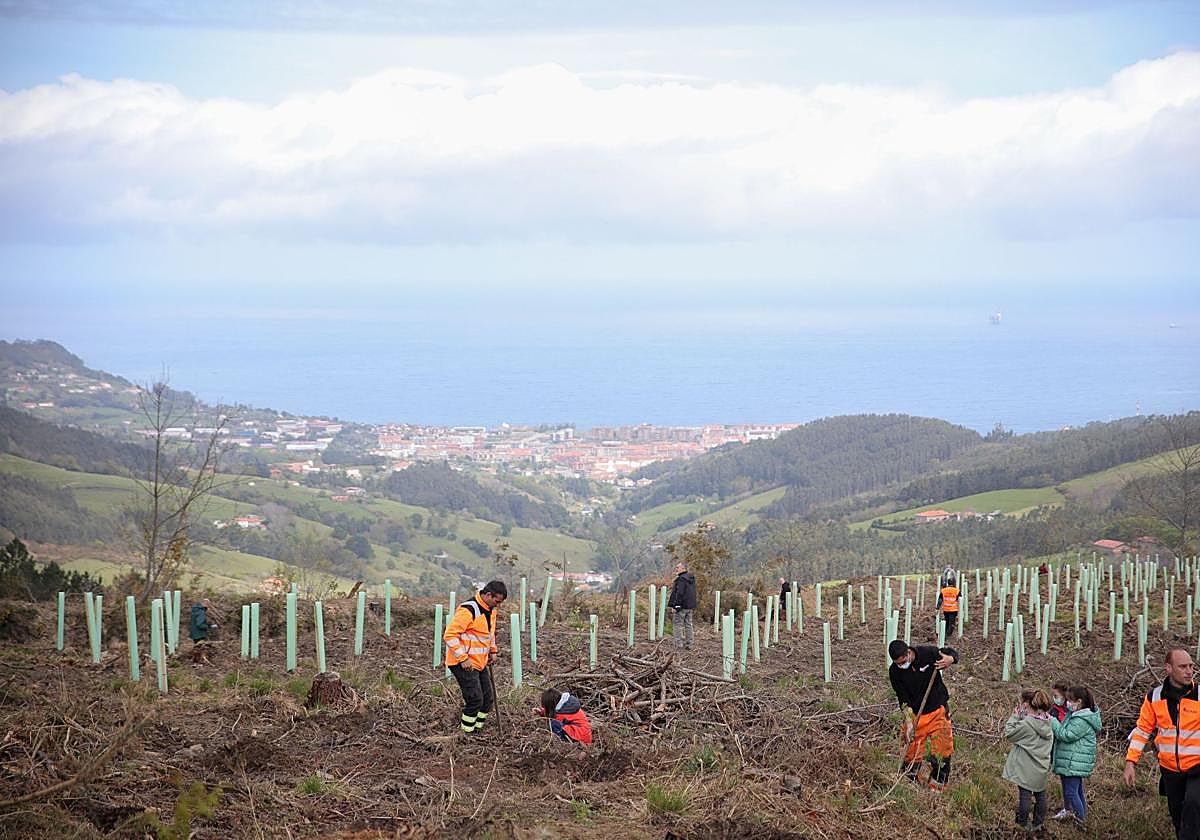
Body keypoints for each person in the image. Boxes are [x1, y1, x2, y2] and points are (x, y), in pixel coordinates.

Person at [1125, 646, 1200, 839]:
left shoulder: (1199, 695)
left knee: (1193, 807)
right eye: (1183, 666)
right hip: (1170, 770)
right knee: (1178, 817)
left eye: (1191, 666)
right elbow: (1142, 731)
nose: (1189, 671)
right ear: (1168, 668)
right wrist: (1130, 762)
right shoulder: (1154, 697)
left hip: (1197, 768)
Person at [888, 639, 959, 791]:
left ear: (908, 653)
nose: (901, 666)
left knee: (942, 751)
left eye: (903, 662)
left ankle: (937, 786)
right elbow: (903, 699)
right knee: (910, 752)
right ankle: (911, 784)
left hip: (937, 711)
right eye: (898, 664)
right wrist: (908, 722)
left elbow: (951, 653)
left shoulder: (928, 654)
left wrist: (950, 659)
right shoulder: (894, 672)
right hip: (916, 716)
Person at [444, 580, 506, 735]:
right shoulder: (468, 610)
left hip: (480, 661)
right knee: (475, 699)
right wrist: (463, 658)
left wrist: (493, 650)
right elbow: (450, 635)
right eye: (496, 601)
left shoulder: (491, 610)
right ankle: (466, 734)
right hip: (462, 663)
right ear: (488, 594)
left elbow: (489, 633)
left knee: (487, 700)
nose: (498, 605)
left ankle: (477, 730)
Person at [1003, 688, 1055, 832]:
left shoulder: (1027, 724)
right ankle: (1038, 824)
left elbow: (1010, 734)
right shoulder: (1048, 722)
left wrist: (1015, 717)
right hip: (1042, 766)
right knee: (1040, 795)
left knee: (1025, 797)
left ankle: (1022, 824)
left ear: (1026, 704)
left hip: (1026, 767)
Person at [1051, 684, 1100, 827]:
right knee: (1075, 790)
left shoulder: (1082, 720)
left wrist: (1053, 722)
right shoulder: (1075, 715)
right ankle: (1068, 810)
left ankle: (1081, 820)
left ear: (1079, 702)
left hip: (1074, 761)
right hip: (1070, 760)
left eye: (1070, 701)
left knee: (1072, 792)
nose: (1067, 704)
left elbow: (1066, 735)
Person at [667, 562, 697, 651]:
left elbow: (679, 593)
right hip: (690, 606)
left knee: (677, 624)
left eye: (678, 567)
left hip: (681, 606)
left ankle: (678, 645)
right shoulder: (691, 579)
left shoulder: (681, 579)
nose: (676, 569)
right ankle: (690, 644)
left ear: (683, 568)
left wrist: (676, 606)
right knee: (688, 625)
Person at [936, 573, 960, 637]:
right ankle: (947, 635)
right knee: (951, 623)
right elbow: (960, 600)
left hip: (946, 609)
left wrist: (937, 608)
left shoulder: (943, 590)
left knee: (947, 621)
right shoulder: (957, 591)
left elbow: (940, 600)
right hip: (953, 610)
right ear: (954, 583)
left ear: (948, 583)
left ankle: (944, 633)